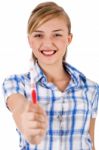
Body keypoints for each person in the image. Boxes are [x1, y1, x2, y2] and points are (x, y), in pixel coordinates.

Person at [2, 1, 99, 150]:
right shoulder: (16, 83)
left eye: (57, 34)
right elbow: (19, 108)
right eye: (39, 35)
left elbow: (90, 142)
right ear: (29, 40)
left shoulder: (91, 88)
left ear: (68, 39)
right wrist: (27, 123)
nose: (47, 42)